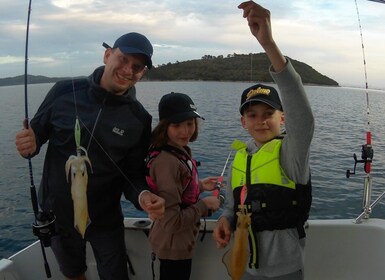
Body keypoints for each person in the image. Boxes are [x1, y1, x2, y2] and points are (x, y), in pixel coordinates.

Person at [15, 32, 165, 280]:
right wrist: (27, 144)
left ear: (142, 74)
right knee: (73, 272)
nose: (128, 70)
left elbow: (133, 176)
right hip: (57, 213)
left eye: (137, 67)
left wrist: (144, 195)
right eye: (123, 59)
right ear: (108, 55)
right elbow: (36, 136)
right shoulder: (63, 91)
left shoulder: (139, 119)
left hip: (105, 219)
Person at [213, 1, 314, 280]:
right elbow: (236, 205)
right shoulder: (241, 155)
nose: (261, 120)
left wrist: (269, 44)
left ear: (282, 118)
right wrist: (226, 219)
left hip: (284, 270)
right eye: (253, 115)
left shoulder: (291, 153)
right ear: (243, 122)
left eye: (269, 113)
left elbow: (303, 119)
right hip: (242, 265)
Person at [146, 92, 221, 280]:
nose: (185, 131)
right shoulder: (166, 162)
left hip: (179, 243)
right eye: (177, 125)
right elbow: (172, 221)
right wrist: (205, 205)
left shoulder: (177, 151)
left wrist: (200, 186)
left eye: (190, 123)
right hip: (173, 246)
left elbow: (179, 189)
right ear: (164, 127)